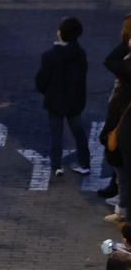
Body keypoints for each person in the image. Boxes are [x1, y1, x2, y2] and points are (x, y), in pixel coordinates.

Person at [36, 17, 91, 181]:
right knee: (79, 133)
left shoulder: (49, 56)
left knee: (56, 135)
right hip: (75, 101)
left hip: (55, 101)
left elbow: (42, 81)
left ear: (60, 33)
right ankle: (84, 164)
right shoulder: (80, 54)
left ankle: (57, 166)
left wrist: (48, 92)